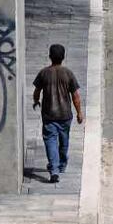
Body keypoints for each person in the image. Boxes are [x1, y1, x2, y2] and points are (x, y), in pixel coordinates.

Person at [32, 44, 84, 183]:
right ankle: (61, 165)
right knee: (64, 141)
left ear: (50, 56)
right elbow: (76, 96)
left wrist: (36, 101)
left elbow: (37, 91)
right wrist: (79, 113)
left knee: (50, 141)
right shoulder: (68, 73)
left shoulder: (44, 73)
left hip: (49, 115)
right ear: (63, 57)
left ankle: (54, 170)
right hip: (65, 115)